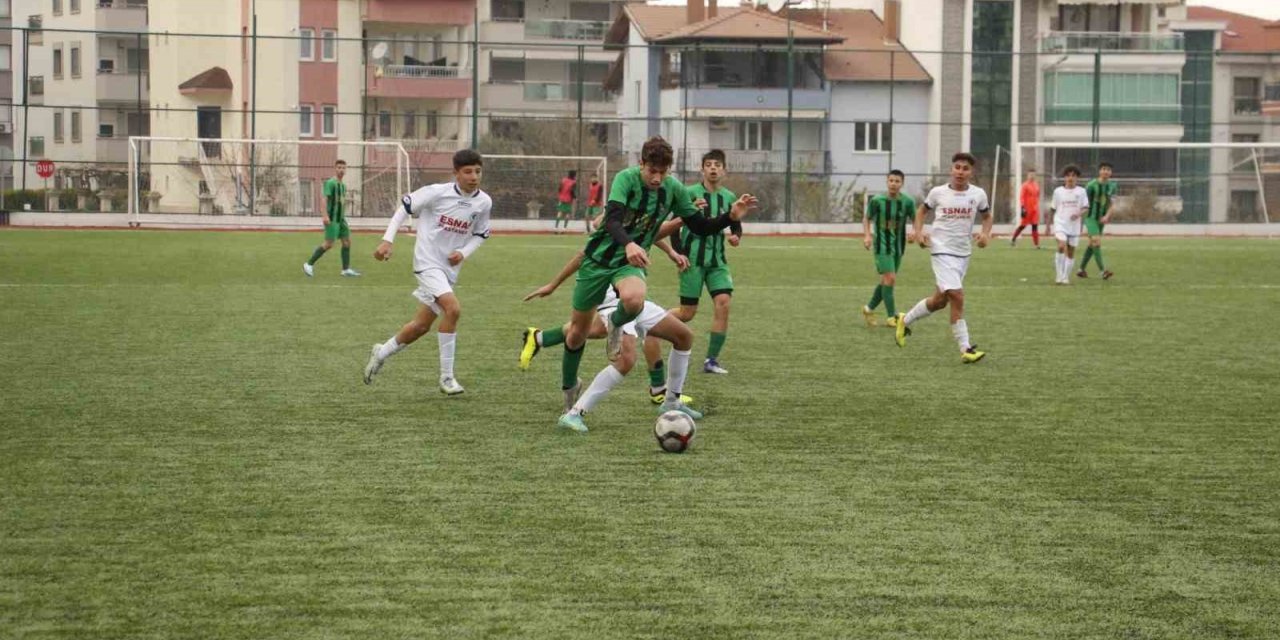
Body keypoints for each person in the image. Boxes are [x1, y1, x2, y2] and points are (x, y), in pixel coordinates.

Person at [553, 136, 756, 433]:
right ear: (641, 165)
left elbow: (697, 226)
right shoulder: (625, 179)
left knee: (682, 335)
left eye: (663, 171)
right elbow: (610, 221)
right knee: (577, 337)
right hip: (598, 268)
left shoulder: (671, 189)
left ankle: (671, 401)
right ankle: (573, 407)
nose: (657, 177)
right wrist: (630, 245)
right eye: (652, 171)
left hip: (626, 272)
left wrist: (730, 217)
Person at [520, 247, 696, 431]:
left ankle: (672, 402)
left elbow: (660, 228)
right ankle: (574, 414)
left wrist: (672, 252)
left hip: (635, 299)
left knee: (684, 337)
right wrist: (553, 285)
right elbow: (587, 247)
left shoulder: (648, 223)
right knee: (625, 359)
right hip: (613, 300)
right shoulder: (616, 225)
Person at [362, 149, 492, 396]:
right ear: (456, 173)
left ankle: (381, 352)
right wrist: (387, 240)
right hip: (426, 263)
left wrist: (463, 253)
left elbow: (481, 234)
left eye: (477, 171)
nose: (474, 176)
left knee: (420, 326)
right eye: (467, 171)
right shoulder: (436, 192)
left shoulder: (484, 202)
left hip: (449, 272)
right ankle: (447, 378)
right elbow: (404, 208)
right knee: (453, 309)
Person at [641, 149, 743, 382]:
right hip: (692, 261)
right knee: (687, 313)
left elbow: (736, 222)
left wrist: (737, 235)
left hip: (717, 262)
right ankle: (650, 324)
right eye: (709, 164)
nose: (713, 168)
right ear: (702, 169)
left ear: (724, 170)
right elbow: (677, 224)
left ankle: (711, 360)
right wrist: (678, 252)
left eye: (717, 164)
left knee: (723, 303)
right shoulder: (687, 193)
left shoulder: (729, 197)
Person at [894, 152, 992, 364]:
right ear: (951, 169)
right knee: (957, 295)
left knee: (939, 301)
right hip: (940, 250)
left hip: (963, 253)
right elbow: (921, 212)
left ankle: (906, 319)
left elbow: (986, 216)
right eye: (957, 167)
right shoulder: (938, 192)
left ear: (971, 172)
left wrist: (985, 234)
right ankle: (965, 348)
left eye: (965, 168)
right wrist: (919, 233)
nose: (960, 171)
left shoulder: (978, 194)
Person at [860, 169, 915, 328]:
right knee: (890, 278)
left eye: (897, 181)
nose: (893, 184)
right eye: (891, 180)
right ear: (887, 182)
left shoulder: (908, 202)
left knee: (886, 280)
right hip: (882, 245)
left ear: (901, 183)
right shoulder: (877, 200)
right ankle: (892, 317)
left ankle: (868, 308)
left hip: (898, 246)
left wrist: (914, 232)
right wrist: (868, 236)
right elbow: (867, 218)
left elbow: (915, 219)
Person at [303, 160, 361, 277]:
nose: (341, 170)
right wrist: (324, 215)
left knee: (347, 242)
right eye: (339, 167)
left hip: (341, 219)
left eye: (343, 168)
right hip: (332, 218)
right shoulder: (330, 183)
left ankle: (345, 269)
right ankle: (309, 264)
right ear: (335, 169)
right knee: (329, 243)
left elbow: (340, 202)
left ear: (346, 170)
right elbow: (324, 200)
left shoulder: (343, 186)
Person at [1050, 165, 1089, 285]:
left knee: (1071, 252)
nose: (1070, 178)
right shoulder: (1058, 191)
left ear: (1077, 178)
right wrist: (1048, 226)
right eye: (1068, 175)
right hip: (1060, 223)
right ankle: (1058, 275)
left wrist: (1078, 214)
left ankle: (1065, 277)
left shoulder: (1081, 192)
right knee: (1061, 246)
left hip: (1074, 226)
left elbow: (1086, 207)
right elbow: (1053, 208)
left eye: (1073, 175)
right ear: (1064, 177)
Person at [1078, 162, 1116, 280]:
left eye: (1108, 169)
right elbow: (1084, 204)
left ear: (1111, 172)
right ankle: (1103, 271)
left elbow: (1112, 203)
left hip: (1101, 218)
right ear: (1100, 171)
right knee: (1096, 241)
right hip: (1090, 217)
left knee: (1092, 244)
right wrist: (1080, 220)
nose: (1106, 171)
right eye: (1104, 169)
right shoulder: (1091, 185)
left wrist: (1107, 216)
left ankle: (1081, 269)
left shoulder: (1112, 186)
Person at [1011, 168, 1041, 248]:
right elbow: (1022, 197)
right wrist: (1023, 208)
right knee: (1023, 225)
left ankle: (1036, 244)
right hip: (1027, 210)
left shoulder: (1036, 185)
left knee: (1035, 226)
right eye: (1030, 174)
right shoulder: (1025, 185)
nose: (1032, 176)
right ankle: (1013, 239)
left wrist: (1037, 207)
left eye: (1033, 174)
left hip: (1035, 210)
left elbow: (1038, 196)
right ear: (1027, 175)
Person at [553, 170, 577, 234]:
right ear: (574, 175)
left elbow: (559, 189)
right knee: (567, 213)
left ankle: (556, 227)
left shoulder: (563, 180)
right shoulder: (574, 182)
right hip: (569, 199)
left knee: (560, 212)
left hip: (561, 198)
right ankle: (564, 228)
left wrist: (561, 195)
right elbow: (572, 191)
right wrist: (575, 197)